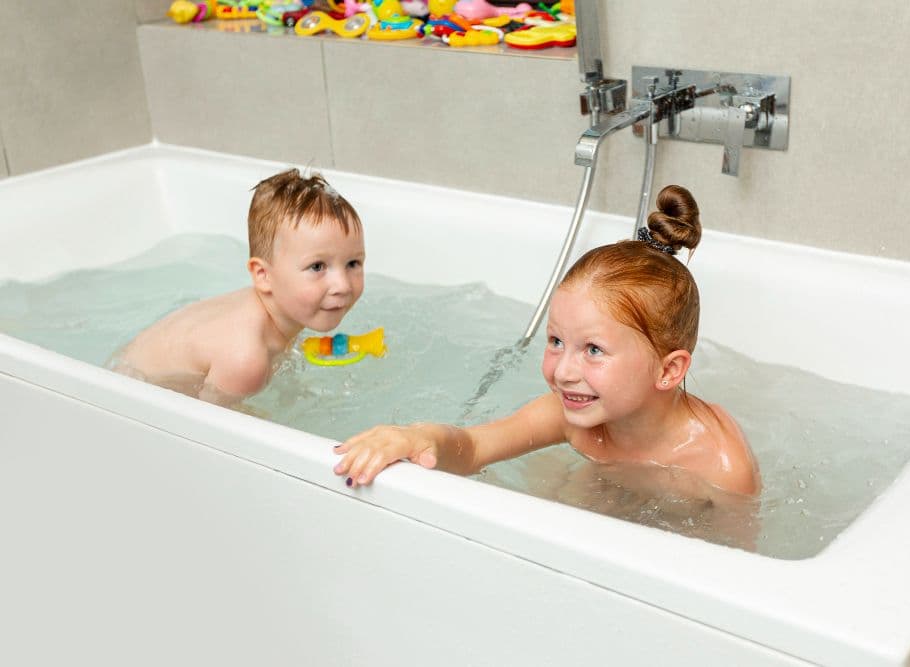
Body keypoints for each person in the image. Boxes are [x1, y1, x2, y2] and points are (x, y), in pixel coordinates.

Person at [333, 185, 759, 498]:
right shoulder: (570, 416)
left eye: (593, 350)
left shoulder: (720, 466)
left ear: (668, 370)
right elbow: (475, 446)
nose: (563, 371)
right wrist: (420, 436)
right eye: (556, 341)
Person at [111, 168, 365, 406]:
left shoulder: (279, 308)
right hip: (128, 393)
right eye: (318, 267)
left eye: (353, 263)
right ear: (263, 275)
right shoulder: (245, 359)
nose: (342, 285)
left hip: (131, 360)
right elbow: (208, 428)